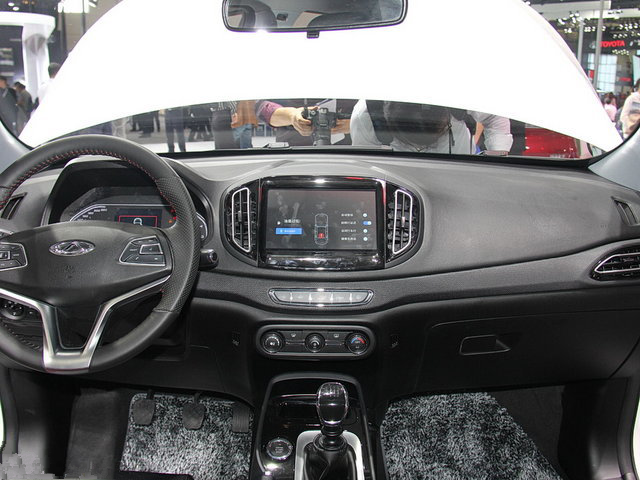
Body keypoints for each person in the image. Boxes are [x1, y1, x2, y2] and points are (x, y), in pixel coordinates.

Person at [350, 99, 513, 154]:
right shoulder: (365, 116)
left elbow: (495, 117)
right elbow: (367, 164)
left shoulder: (458, 94)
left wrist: (497, 154)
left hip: (459, 172)